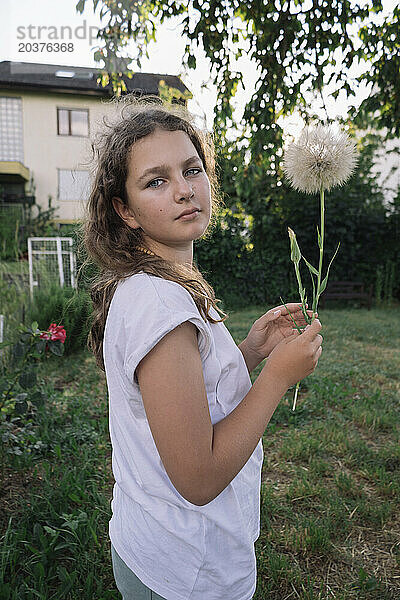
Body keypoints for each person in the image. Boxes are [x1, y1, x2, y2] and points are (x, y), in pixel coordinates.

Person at [83, 95, 323, 600]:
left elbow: (184, 393)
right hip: (187, 572)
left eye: (192, 170)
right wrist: (277, 377)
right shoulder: (160, 304)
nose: (184, 190)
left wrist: (249, 352)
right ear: (124, 211)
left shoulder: (154, 284)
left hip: (156, 549)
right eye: (156, 181)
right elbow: (197, 477)